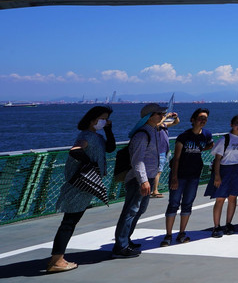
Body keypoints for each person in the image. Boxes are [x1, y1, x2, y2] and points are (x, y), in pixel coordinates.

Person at [47, 106, 117, 273]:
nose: (105, 121)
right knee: (69, 223)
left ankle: (58, 259)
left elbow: (111, 148)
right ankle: (56, 260)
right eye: (103, 119)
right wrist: (90, 164)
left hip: (84, 186)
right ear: (93, 120)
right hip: (79, 186)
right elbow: (75, 150)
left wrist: (109, 130)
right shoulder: (86, 136)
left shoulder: (97, 137)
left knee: (70, 222)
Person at [112, 103, 166, 258]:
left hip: (147, 177)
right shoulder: (142, 135)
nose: (162, 116)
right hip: (139, 179)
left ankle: (126, 240)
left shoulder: (154, 131)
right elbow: (137, 160)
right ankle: (120, 246)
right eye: (159, 113)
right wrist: (143, 180)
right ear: (149, 116)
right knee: (130, 210)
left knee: (139, 209)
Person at [162, 108, 212, 246]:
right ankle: (168, 235)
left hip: (194, 175)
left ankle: (182, 233)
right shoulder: (183, 137)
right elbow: (176, 158)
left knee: (187, 204)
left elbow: (210, 145)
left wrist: (201, 149)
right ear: (193, 120)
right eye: (201, 118)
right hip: (180, 175)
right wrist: (174, 178)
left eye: (205, 119)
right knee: (173, 204)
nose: (203, 121)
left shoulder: (206, 135)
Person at [204, 114, 238, 236]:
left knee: (233, 197)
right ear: (231, 124)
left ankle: (228, 224)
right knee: (220, 198)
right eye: (237, 123)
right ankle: (216, 226)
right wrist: (217, 175)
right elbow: (218, 159)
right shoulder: (224, 140)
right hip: (224, 170)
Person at [151, 110, 180, 199]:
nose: (162, 116)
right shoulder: (154, 125)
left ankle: (153, 189)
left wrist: (175, 117)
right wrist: (166, 117)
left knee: (159, 171)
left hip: (164, 150)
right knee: (157, 171)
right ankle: (154, 190)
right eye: (160, 115)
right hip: (158, 151)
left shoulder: (164, 125)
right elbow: (158, 124)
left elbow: (176, 122)